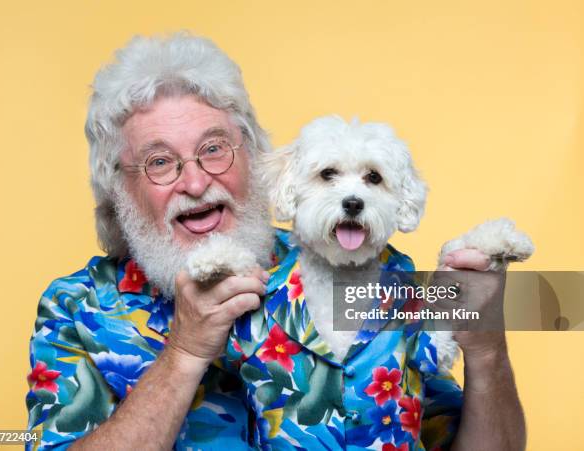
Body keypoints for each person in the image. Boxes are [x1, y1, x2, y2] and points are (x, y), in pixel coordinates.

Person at [26, 33, 525, 450]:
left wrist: (486, 349)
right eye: (160, 162)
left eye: (214, 149)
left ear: (255, 159)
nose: (196, 183)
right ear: (119, 190)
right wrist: (183, 352)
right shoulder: (76, 309)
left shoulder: (351, 266)